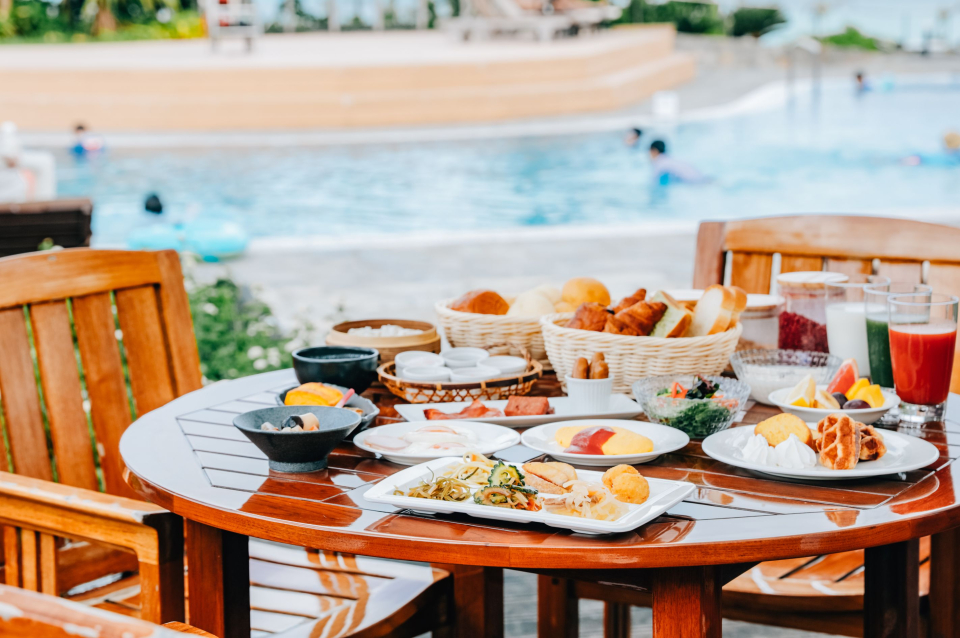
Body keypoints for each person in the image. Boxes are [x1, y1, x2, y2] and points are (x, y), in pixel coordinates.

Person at [0, 122, 33, 203]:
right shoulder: (7, 145)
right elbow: (11, 162)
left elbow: (12, 162)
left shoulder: (13, 144)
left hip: (13, 189)